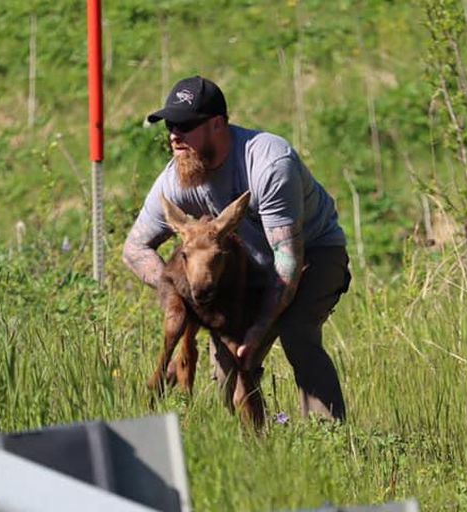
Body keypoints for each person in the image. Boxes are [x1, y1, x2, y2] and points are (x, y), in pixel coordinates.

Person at [123, 75, 351, 420]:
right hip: (246, 269)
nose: (174, 135)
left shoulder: (269, 164)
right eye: (170, 126)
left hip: (314, 253)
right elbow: (135, 249)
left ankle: (330, 437)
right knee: (228, 364)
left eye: (185, 125)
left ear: (217, 124)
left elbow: (288, 262)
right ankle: (256, 451)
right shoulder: (177, 179)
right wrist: (184, 295)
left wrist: (258, 327)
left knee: (296, 330)